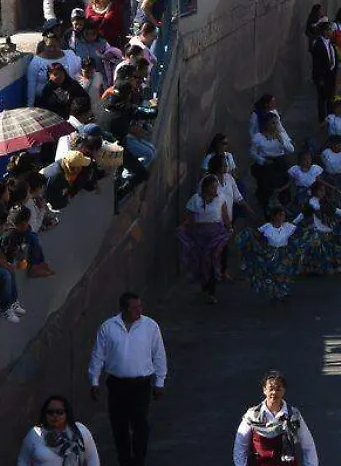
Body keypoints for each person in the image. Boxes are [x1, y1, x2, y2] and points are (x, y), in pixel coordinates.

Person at [88, 292, 168, 466]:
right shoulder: (108, 328)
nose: (138, 310)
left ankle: (139, 461)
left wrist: (159, 382)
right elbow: (98, 355)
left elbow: (159, 354)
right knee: (119, 424)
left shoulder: (150, 326)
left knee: (140, 424)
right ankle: (124, 460)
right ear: (123, 309)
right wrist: (94, 381)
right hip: (117, 384)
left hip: (141, 384)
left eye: (139, 306)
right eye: (134, 307)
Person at [232, 370, 319, 466]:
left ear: (283, 391)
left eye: (278, 389)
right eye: (271, 389)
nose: (274, 392)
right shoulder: (252, 416)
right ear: (264, 390)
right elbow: (240, 446)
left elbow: (308, 445)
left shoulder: (293, 415)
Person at [179, 175, 233, 304]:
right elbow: (189, 217)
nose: (215, 190)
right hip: (200, 235)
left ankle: (211, 291)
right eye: (212, 187)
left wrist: (229, 228)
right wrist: (182, 227)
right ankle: (205, 286)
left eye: (216, 187)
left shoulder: (220, 198)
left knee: (213, 258)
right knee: (202, 261)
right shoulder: (195, 199)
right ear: (206, 188)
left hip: (216, 233)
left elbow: (225, 216)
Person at [17, 395, 100, 465]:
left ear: (67, 413)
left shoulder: (79, 431)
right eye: (50, 412)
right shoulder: (35, 434)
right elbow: (23, 460)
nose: (55, 416)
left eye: (59, 412)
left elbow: (92, 458)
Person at [309, 21, 339, 121]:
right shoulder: (318, 45)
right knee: (322, 99)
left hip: (331, 75)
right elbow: (317, 64)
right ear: (325, 31)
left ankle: (331, 119)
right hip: (323, 77)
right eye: (330, 30)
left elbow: (334, 57)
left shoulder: (331, 43)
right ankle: (322, 121)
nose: (332, 32)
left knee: (331, 98)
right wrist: (319, 79)